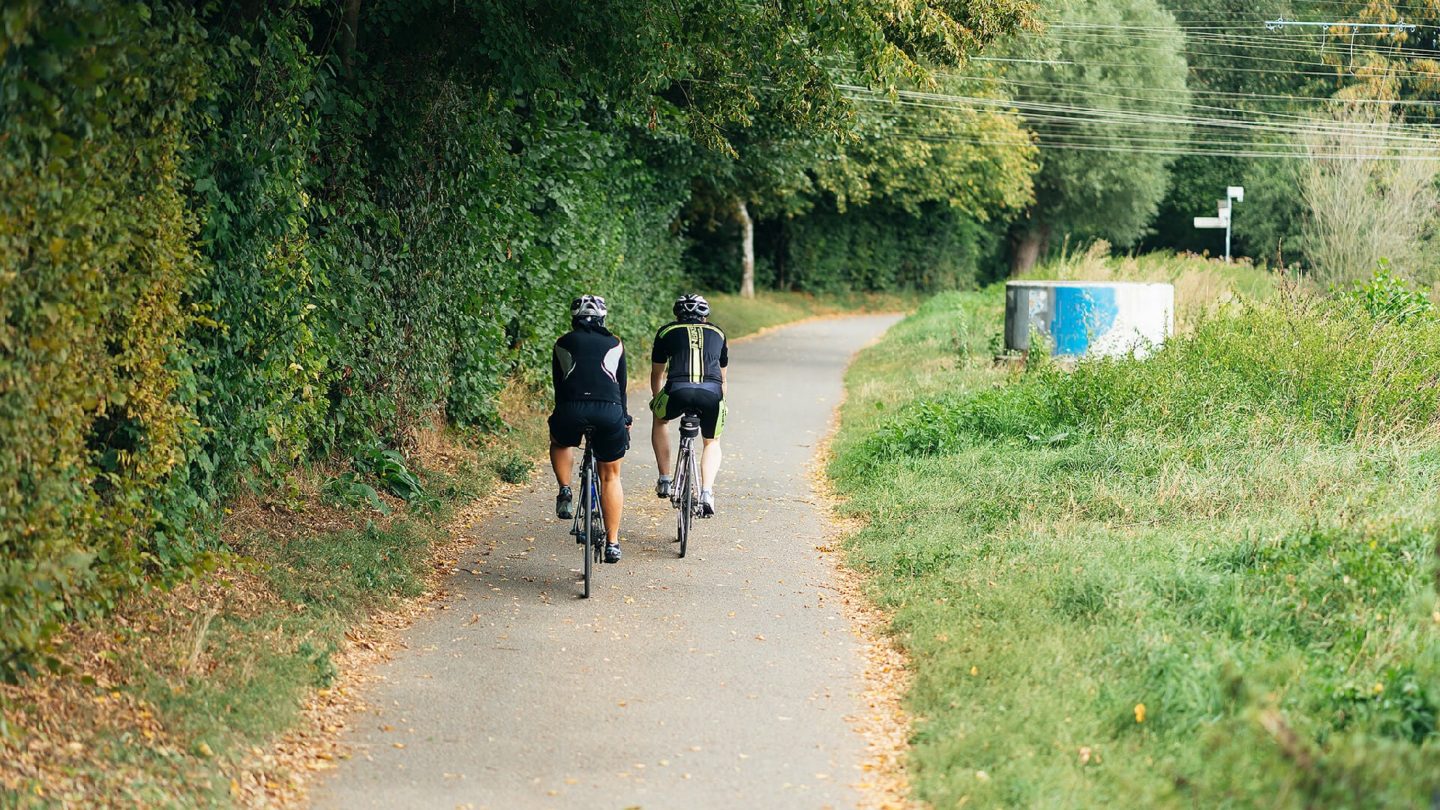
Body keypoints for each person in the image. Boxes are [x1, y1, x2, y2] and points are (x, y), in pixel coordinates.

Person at [549, 294, 629, 564]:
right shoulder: (615, 343)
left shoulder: (562, 342)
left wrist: (562, 413)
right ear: (602, 318)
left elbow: (559, 385)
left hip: (571, 408)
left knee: (561, 441)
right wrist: (624, 418)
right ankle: (613, 542)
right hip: (609, 411)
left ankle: (565, 490)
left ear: (574, 318)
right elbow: (621, 387)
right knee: (611, 476)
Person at [649, 293, 728, 517]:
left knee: (660, 419)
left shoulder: (666, 331)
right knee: (712, 441)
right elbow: (723, 379)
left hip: (677, 391)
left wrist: (657, 399)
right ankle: (706, 493)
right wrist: (721, 403)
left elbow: (657, 374)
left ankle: (665, 479)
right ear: (705, 316)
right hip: (711, 393)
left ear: (677, 315)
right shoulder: (718, 332)